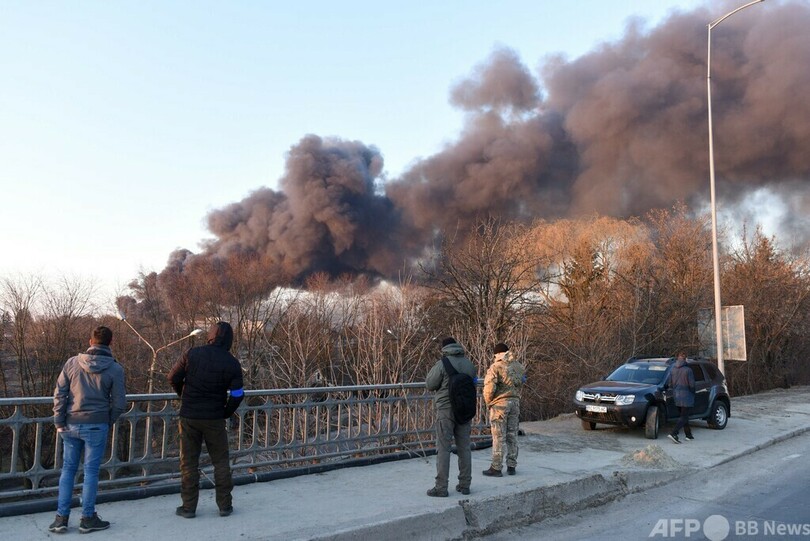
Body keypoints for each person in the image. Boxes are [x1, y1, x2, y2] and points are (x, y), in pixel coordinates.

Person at [50, 326, 127, 534]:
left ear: (90, 341)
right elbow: (119, 403)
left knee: (68, 470)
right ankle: (87, 518)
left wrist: (59, 420)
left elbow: (60, 394)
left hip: (70, 424)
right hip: (97, 425)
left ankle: (61, 519)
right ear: (110, 343)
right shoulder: (115, 369)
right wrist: (107, 420)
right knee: (91, 472)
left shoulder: (72, 363)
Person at [168, 321, 244, 518]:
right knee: (220, 462)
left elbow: (173, 377)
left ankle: (188, 507)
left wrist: (184, 397)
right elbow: (237, 394)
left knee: (189, 462)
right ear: (229, 340)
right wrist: (226, 411)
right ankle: (225, 506)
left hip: (189, 416)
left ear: (210, 336)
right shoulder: (232, 362)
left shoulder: (192, 353)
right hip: (214, 418)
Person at [425, 337, 477, 497]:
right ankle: (465, 485)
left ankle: (441, 487)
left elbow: (430, 384)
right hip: (464, 409)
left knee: (443, 448)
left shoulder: (442, 364)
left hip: (446, 410)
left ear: (444, 348)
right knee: (464, 448)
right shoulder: (469, 364)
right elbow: (473, 384)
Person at [482, 342, 526, 477]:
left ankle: (496, 467)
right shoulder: (518, 366)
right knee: (512, 435)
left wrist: (489, 402)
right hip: (515, 402)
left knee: (498, 436)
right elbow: (521, 382)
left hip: (500, 405)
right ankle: (512, 465)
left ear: (497, 354)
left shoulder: (496, 367)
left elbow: (489, 388)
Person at [668, 352, 695, 444]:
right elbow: (692, 385)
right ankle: (674, 433)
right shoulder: (688, 370)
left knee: (683, 416)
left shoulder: (672, 369)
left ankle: (689, 435)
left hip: (676, 395)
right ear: (685, 359)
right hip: (686, 396)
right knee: (684, 416)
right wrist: (693, 393)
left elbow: (670, 384)